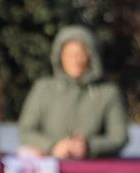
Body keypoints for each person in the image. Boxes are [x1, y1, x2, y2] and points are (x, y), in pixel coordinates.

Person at [17, 25, 128, 159]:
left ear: (90, 56)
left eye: (80, 54)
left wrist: (89, 146)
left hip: (93, 169)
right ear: (60, 57)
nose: (75, 61)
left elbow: (119, 137)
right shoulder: (43, 89)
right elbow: (26, 131)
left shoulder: (108, 93)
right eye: (69, 54)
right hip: (48, 168)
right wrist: (52, 146)